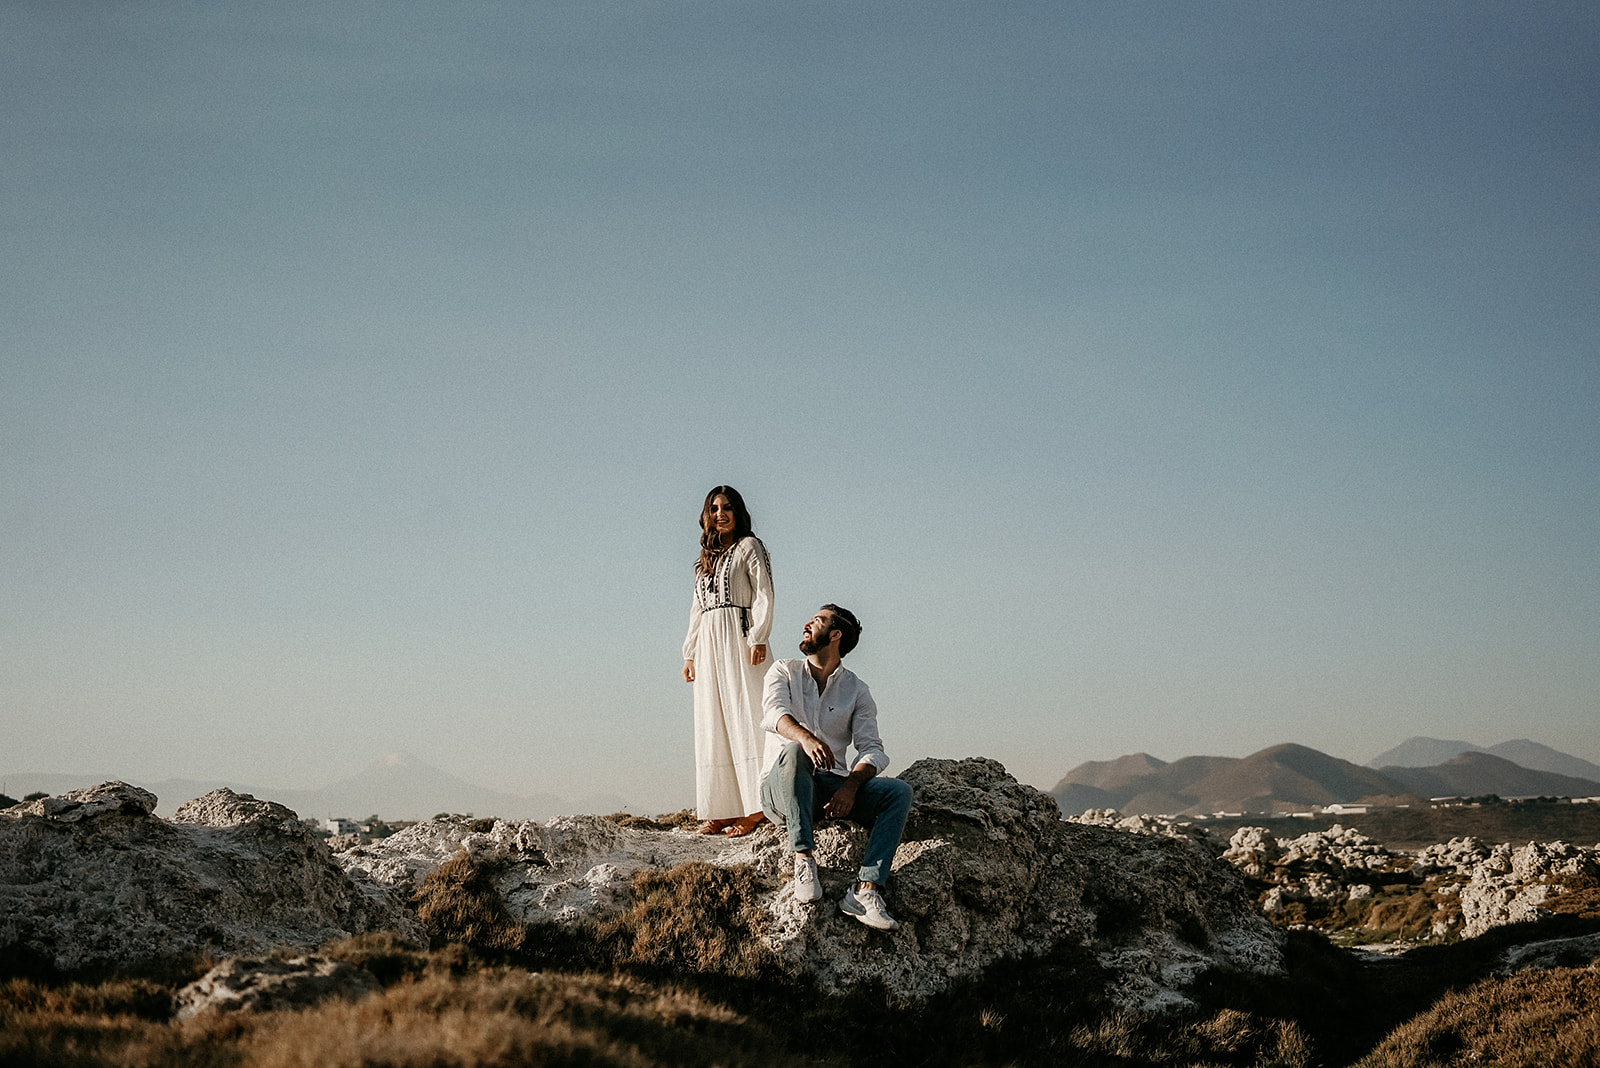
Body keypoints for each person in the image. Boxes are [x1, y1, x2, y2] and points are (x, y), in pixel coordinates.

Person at [761, 604, 913, 930]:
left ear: (835, 635)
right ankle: (803, 858)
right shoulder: (783, 671)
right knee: (795, 750)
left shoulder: (857, 691)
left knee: (898, 792)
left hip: (828, 789)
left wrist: (851, 785)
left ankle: (866, 890)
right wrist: (806, 738)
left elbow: (872, 749)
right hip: (782, 786)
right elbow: (774, 715)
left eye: (816, 621)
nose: (806, 624)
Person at [681, 486, 775, 836]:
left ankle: (755, 807)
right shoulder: (704, 561)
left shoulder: (750, 547)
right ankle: (721, 808)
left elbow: (764, 591)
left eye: (727, 507)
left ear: (739, 513)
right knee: (712, 719)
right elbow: (696, 610)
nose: (720, 514)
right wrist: (689, 652)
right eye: (714, 508)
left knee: (746, 715)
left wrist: (759, 636)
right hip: (708, 642)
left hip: (740, 637)